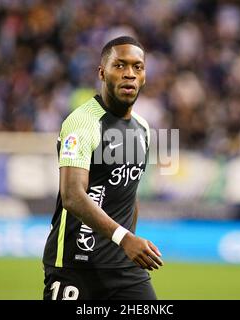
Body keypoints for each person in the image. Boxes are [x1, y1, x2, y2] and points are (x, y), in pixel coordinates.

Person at [42, 36, 163, 300]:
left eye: (137, 67)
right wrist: (125, 238)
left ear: (144, 76)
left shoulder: (142, 129)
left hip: (123, 270)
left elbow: (130, 194)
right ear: (102, 73)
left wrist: (125, 243)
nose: (129, 74)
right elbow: (73, 195)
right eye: (119, 66)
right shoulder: (82, 123)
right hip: (75, 268)